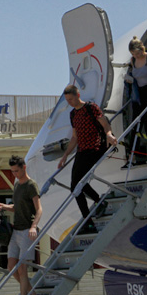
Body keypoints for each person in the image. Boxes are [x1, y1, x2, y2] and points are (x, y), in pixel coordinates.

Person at [58, 84, 116, 232]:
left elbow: (105, 124)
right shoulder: (73, 114)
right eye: (67, 100)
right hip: (82, 150)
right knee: (75, 186)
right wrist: (65, 155)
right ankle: (94, 210)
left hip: (95, 148)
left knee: (78, 184)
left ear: (78, 95)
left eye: (71, 98)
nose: (69, 102)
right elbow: (74, 138)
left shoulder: (91, 108)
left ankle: (91, 215)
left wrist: (109, 134)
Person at [0, 155, 43, 295]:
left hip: (26, 231)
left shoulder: (31, 185)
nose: (14, 174)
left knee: (23, 269)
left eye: (16, 170)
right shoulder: (17, 185)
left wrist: (33, 227)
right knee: (11, 267)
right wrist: (4, 206)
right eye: (12, 171)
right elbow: (17, 207)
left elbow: (39, 209)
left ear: (24, 168)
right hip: (16, 230)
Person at [124, 37, 147, 163]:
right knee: (135, 124)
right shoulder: (133, 60)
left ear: (142, 49)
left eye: (138, 53)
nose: (136, 56)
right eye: (134, 54)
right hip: (139, 94)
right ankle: (132, 156)